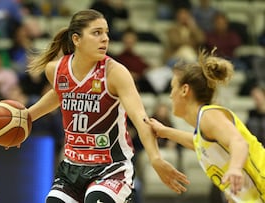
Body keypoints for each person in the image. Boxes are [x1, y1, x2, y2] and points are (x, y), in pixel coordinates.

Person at [26, 9, 189, 202]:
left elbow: (140, 118)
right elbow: (60, 94)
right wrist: (25, 118)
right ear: (76, 39)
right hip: (71, 167)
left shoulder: (115, 72)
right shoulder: (56, 70)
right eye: (97, 33)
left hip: (111, 168)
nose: (105, 39)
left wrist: (155, 158)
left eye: (106, 33)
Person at [148, 48, 265, 203]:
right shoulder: (205, 125)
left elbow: (239, 143)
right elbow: (198, 142)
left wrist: (235, 169)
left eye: (172, 87)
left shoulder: (209, 115)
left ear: (184, 90)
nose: (170, 95)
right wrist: (164, 131)